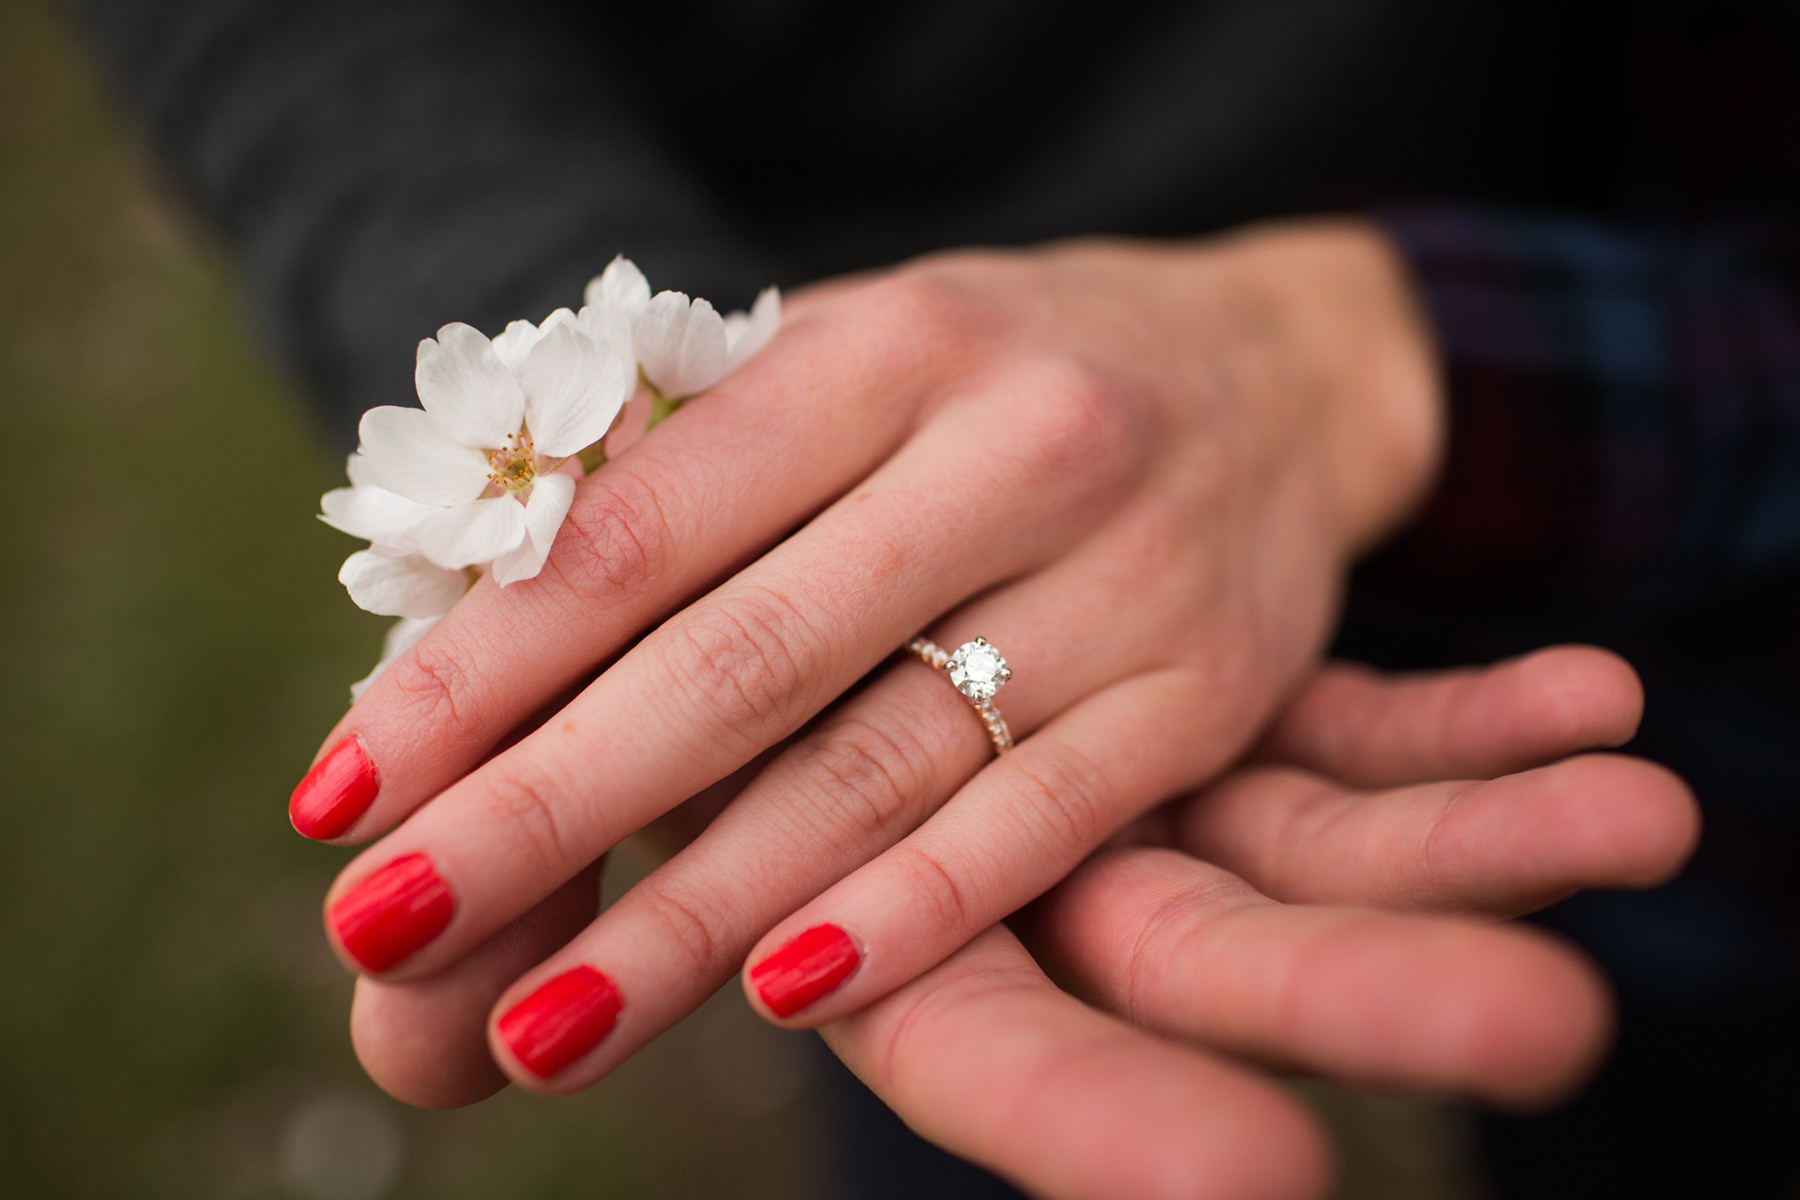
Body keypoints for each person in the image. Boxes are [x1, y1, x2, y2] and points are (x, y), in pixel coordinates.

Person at [72, 0, 1797, 1195]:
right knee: (908, 950)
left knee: (1684, 1069)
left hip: (1650, 457)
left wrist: (1366, 347)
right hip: (863, 502)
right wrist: (663, 482)